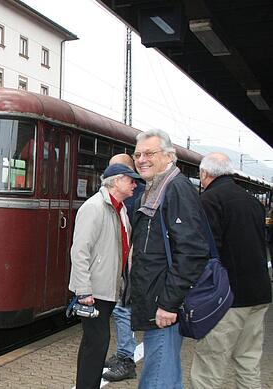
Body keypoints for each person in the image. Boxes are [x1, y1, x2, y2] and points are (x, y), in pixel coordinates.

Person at [129, 129, 208, 389]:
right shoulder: (156, 188)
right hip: (156, 300)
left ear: (169, 156)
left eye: (149, 153)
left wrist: (168, 304)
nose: (142, 159)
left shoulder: (175, 189)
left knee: (157, 378)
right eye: (137, 154)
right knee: (165, 373)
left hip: (163, 304)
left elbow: (192, 252)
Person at [189, 153, 271, 388]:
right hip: (258, 294)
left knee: (209, 367)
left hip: (227, 298)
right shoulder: (252, 201)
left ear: (205, 174)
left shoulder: (209, 201)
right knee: (248, 362)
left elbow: (204, 251)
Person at [69, 163, 141, 389]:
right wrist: (83, 290)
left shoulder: (118, 208)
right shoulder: (95, 207)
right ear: (116, 181)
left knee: (93, 342)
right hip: (94, 289)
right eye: (130, 180)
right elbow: (80, 250)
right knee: (97, 343)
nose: (134, 184)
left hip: (107, 288)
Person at [102, 153, 144, 382]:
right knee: (122, 309)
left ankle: (126, 359)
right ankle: (123, 354)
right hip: (128, 262)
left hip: (130, 264)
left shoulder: (131, 197)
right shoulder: (138, 193)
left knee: (122, 309)